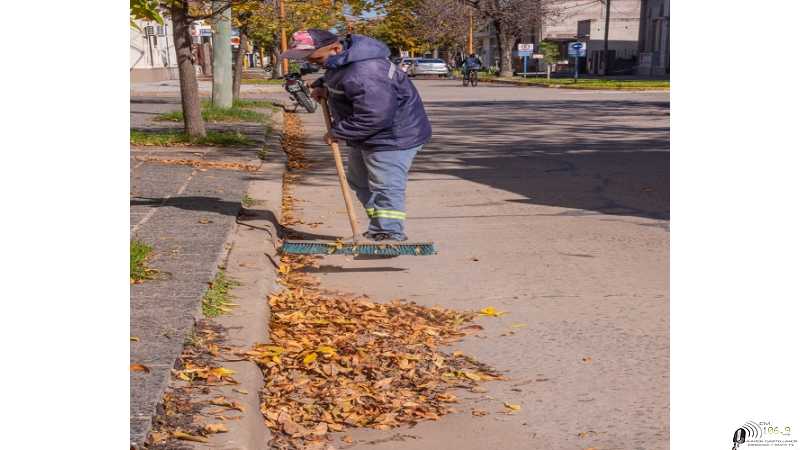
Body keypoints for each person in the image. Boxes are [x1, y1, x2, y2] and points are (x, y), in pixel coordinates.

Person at [280, 29, 432, 242]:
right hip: (367, 134)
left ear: (334, 48)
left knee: (385, 185)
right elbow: (341, 78)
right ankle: (380, 226)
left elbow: (375, 115)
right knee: (358, 180)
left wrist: (338, 132)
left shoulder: (366, 70)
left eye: (315, 57)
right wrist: (324, 87)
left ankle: (389, 233)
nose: (311, 62)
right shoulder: (341, 60)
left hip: (393, 136)